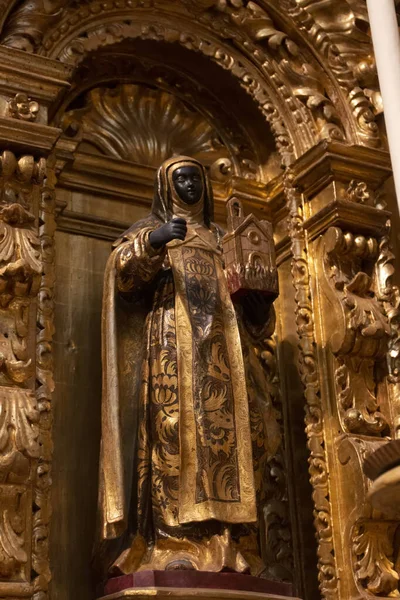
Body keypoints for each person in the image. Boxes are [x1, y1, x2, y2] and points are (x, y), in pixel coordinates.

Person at [98, 156, 280, 576]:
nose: (189, 185)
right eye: (180, 178)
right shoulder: (148, 232)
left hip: (225, 359)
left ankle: (227, 544)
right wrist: (155, 241)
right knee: (172, 436)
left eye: (195, 178)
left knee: (231, 447)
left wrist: (256, 304)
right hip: (171, 352)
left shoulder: (223, 237)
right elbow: (123, 278)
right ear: (166, 186)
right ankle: (171, 542)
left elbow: (256, 316)